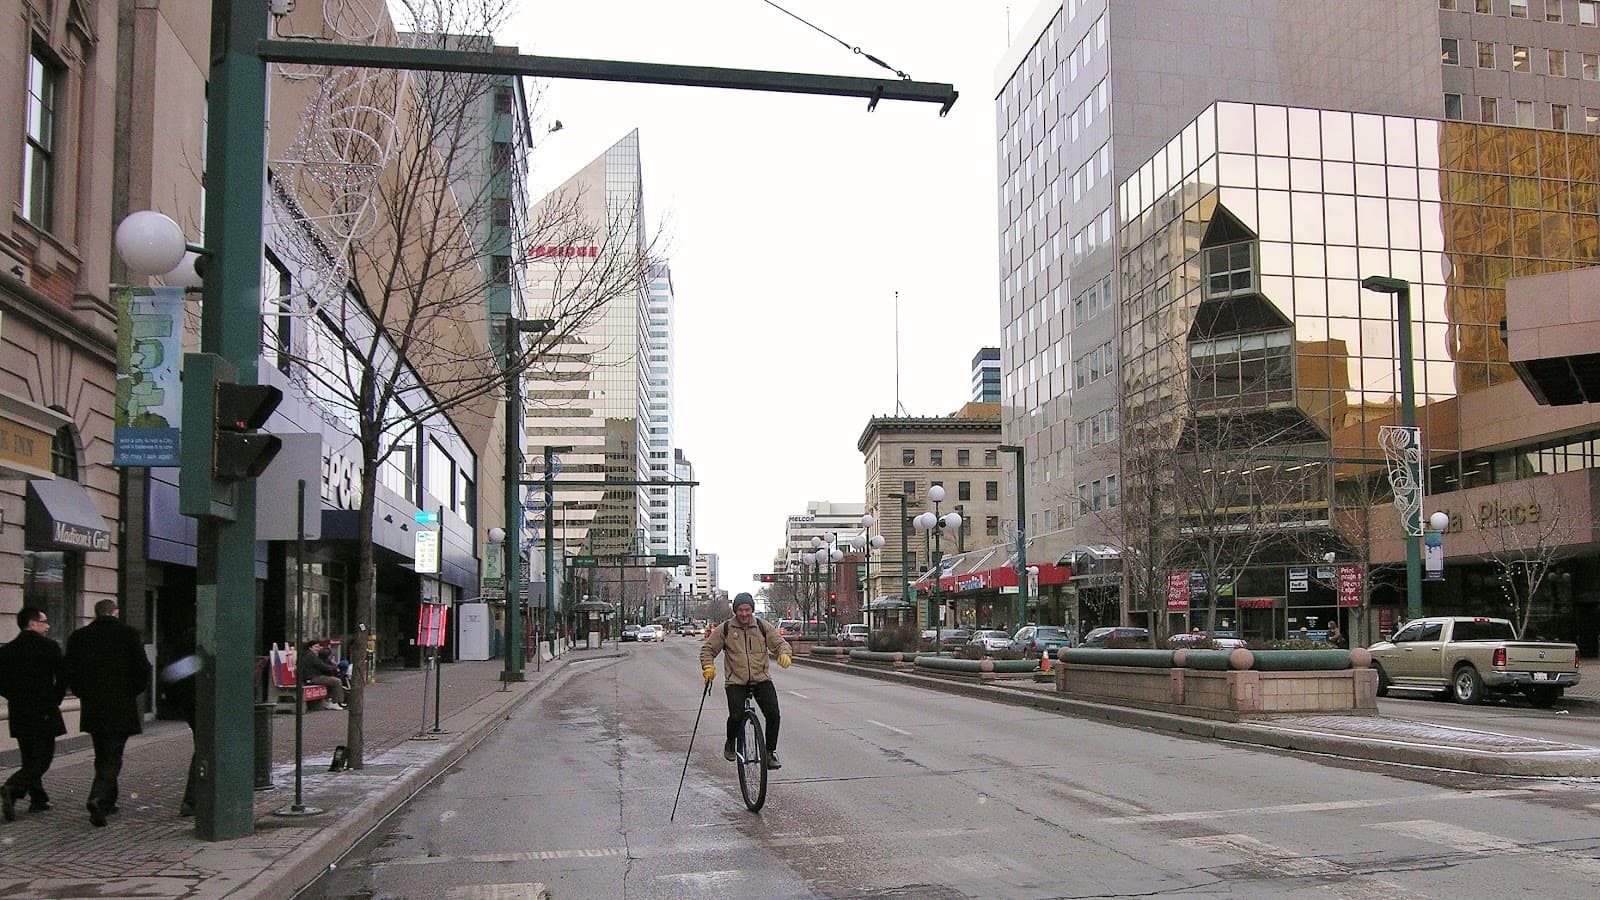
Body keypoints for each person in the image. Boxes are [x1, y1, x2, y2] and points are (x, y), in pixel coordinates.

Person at [65, 599, 152, 827]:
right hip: (120, 705)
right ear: (115, 612)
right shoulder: (129, 635)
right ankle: (98, 796)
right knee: (114, 755)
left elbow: (70, 672)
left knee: (102, 752)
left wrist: (83, 692)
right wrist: (132, 691)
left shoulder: (79, 637)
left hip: (93, 706)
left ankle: (108, 800)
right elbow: (143, 669)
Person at [700, 593, 792, 769]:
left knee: (774, 714)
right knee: (736, 715)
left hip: (761, 678)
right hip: (736, 681)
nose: (744, 614)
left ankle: (770, 752)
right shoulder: (725, 628)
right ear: (735, 611)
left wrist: (784, 654)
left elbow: (780, 643)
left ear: (752, 610)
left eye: (747, 610)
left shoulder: (761, 626)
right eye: (740, 610)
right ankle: (730, 741)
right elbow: (708, 650)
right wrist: (708, 667)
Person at [0, 606, 67, 821]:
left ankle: (38, 798)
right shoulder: (49, 647)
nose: (48, 626)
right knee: (43, 757)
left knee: (29, 754)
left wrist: (14, 696)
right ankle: (13, 787)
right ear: (32, 623)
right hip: (44, 709)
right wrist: (54, 699)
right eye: (44, 621)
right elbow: (62, 677)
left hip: (20, 710)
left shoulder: (7, 650)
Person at [159, 628, 201, 817]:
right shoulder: (203, 646)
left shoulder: (185, 644)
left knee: (202, 747)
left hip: (190, 703)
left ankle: (194, 799)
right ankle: (193, 799)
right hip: (203, 702)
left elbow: (172, 676)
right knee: (205, 748)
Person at [299, 638, 347, 709]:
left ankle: (328, 700)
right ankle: (336, 702)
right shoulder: (311, 656)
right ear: (310, 648)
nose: (318, 649)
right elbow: (322, 666)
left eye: (318, 647)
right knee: (336, 681)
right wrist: (334, 668)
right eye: (316, 647)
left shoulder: (310, 655)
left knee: (330, 680)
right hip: (311, 678)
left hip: (310, 677)